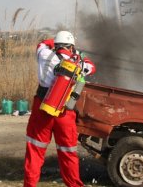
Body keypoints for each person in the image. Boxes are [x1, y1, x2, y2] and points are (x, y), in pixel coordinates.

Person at [24, 31, 96, 187]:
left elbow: (41, 44)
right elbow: (92, 66)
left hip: (42, 108)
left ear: (55, 45)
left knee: (35, 151)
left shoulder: (44, 55)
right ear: (71, 46)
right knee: (68, 153)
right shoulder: (77, 62)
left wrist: (53, 41)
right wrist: (77, 53)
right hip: (65, 111)